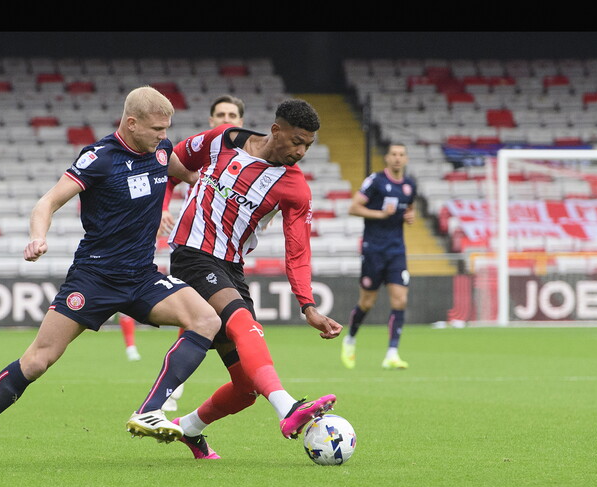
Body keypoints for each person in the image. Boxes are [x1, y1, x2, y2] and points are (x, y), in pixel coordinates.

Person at [0, 86, 221, 468]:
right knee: (39, 360)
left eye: (166, 128)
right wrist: (37, 237)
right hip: (95, 278)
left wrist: (202, 184)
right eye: (157, 128)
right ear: (131, 123)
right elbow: (47, 202)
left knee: (207, 318)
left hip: (141, 276)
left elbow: (182, 172)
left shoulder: (160, 149)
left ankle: (151, 410)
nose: (164, 135)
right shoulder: (99, 158)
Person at [163, 98, 343, 460]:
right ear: (276, 130)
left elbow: (298, 251)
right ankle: (289, 408)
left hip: (230, 268)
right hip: (193, 255)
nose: (301, 151)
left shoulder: (295, 189)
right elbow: (170, 162)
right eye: (296, 141)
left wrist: (308, 305)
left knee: (245, 388)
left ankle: (188, 428)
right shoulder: (223, 140)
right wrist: (163, 207)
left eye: (308, 145)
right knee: (244, 323)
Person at [157, 94, 245, 413]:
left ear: (241, 122)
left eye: (231, 114)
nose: (225, 119)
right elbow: (167, 174)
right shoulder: (204, 152)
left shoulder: (256, 159)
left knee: (211, 321)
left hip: (230, 255)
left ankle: (247, 382)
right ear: (211, 121)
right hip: (195, 248)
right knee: (201, 314)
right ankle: (172, 386)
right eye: (219, 114)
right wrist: (163, 209)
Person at [340, 143, 417, 370]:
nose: (397, 158)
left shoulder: (410, 185)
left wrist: (409, 216)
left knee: (400, 300)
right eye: (393, 154)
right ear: (386, 157)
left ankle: (392, 353)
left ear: (406, 159)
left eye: (401, 154)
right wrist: (380, 214)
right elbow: (353, 208)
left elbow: (409, 208)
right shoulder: (375, 181)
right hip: (373, 249)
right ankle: (350, 339)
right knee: (367, 302)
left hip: (396, 250)